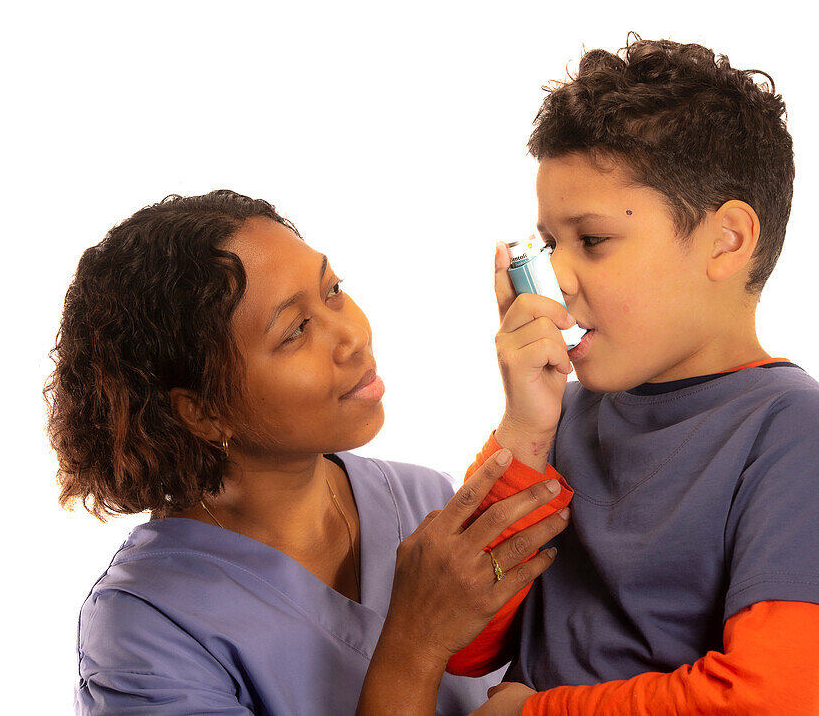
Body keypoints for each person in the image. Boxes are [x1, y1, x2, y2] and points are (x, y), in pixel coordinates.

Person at [447, 37, 819, 714]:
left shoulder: (800, 434)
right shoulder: (558, 417)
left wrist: (531, 712)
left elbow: (773, 697)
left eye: (592, 241)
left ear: (726, 241)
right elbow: (457, 643)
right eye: (548, 243)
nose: (556, 279)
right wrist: (524, 428)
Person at [46, 190, 572, 715]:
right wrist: (416, 644)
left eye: (334, 290)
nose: (353, 336)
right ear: (202, 411)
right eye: (296, 330)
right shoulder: (145, 631)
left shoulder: (427, 501)